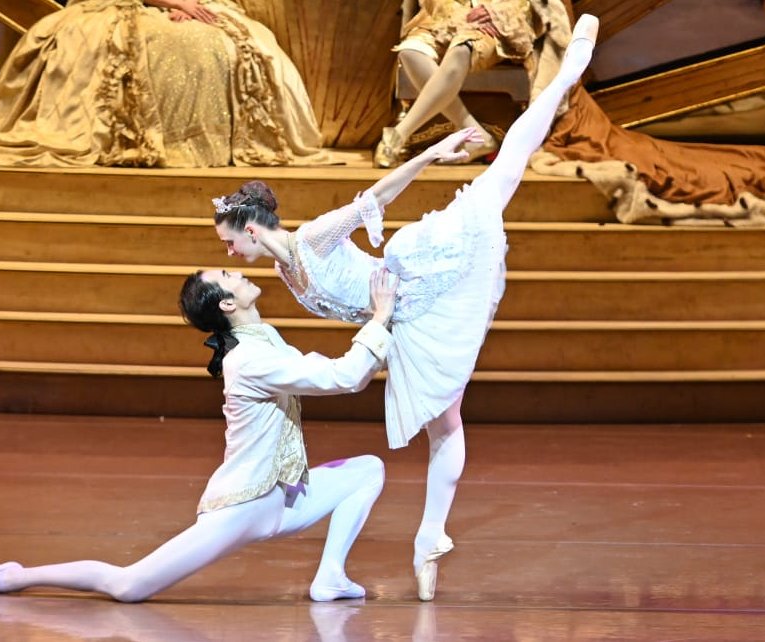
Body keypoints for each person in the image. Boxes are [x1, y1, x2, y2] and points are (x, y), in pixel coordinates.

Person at [211, 14, 599, 600]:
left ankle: (568, 70)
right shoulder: (285, 272)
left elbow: (374, 196)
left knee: (503, 175)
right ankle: (429, 539)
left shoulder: (308, 239)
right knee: (446, 422)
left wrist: (433, 152)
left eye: (228, 241)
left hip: (413, 272)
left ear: (246, 228)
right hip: (401, 319)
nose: (230, 252)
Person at [0, 268, 398, 603]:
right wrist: (380, 317)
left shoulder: (262, 339)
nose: (238, 272)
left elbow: (326, 369)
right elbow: (344, 376)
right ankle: (14, 575)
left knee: (367, 471)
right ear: (227, 304)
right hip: (243, 507)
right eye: (228, 275)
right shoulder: (248, 360)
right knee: (128, 585)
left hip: (283, 496)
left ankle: (330, 577)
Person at [0, 0, 330, 168]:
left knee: (230, 41)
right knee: (154, 45)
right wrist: (172, 3)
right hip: (120, 5)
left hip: (184, 6)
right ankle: (139, 140)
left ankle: (214, 144)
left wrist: (191, 4)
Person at [374, 0, 573, 167]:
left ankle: (399, 134)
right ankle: (477, 135)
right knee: (410, 52)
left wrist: (495, 13)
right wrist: (459, 15)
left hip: (496, 22)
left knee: (462, 48)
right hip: (444, 17)